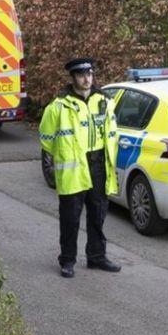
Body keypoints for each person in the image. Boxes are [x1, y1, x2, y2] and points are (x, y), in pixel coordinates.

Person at [39, 58, 122, 278]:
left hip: (99, 165)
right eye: (81, 75)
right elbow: (46, 139)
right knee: (70, 219)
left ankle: (97, 257)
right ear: (73, 77)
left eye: (90, 74)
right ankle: (67, 260)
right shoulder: (58, 105)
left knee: (98, 215)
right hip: (74, 168)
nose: (87, 79)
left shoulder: (104, 101)